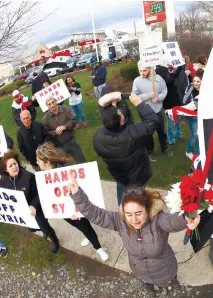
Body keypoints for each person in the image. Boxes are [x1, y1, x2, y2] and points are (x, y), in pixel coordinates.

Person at [67, 178, 200, 292]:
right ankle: (148, 286)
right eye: (129, 214)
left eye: (138, 213)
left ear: (147, 210)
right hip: (140, 270)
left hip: (165, 268)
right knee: (146, 282)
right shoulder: (120, 222)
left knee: (171, 280)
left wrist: (187, 218)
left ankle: (172, 282)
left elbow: (173, 222)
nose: (134, 219)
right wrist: (77, 195)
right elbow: (96, 214)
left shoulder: (158, 219)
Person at [35, 142, 109, 261]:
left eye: (38, 160)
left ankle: (98, 248)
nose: (37, 163)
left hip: (77, 208)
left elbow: (80, 188)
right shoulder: (44, 176)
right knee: (81, 227)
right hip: (65, 211)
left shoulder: (65, 170)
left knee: (86, 227)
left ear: (47, 162)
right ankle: (88, 237)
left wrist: (76, 209)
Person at [93, 93, 159, 205]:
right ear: (122, 121)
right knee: (137, 202)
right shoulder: (134, 135)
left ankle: (121, 207)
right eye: (119, 113)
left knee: (122, 193)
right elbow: (152, 121)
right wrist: (139, 104)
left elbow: (112, 119)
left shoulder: (98, 137)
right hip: (137, 177)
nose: (120, 111)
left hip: (120, 175)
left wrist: (113, 105)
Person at [0, 152, 60, 253]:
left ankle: (54, 239)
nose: (14, 167)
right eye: (10, 166)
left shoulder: (28, 177)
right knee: (32, 229)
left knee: (44, 227)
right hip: (23, 211)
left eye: (15, 164)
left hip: (36, 208)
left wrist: (33, 206)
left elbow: (40, 193)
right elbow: (1, 195)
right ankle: (43, 230)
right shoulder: (3, 181)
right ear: (6, 169)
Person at [132, 61, 172, 160]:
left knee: (161, 131)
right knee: (148, 133)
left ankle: (165, 148)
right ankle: (149, 151)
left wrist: (158, 98)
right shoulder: (137, 81)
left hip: (158, 110)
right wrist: (149, 96)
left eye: (144, 70)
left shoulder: (158, 79)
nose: (142, 73)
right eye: (140, 71)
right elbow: (134, 96)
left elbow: (164, 91)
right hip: (146, 113)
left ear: (150, 69)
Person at [42, 96, 85, 163]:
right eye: (49, 104)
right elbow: (45, 132)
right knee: (65, 165)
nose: (52, 105)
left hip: (71, 141)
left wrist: (65, 126)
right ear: (47, 106)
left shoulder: (65, 109)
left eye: (53, 102)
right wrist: (55, 132)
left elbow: (73, 120)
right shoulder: (46, 118)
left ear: (56, 101)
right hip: (58, 146)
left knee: (81, 160)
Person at [156, 65, 184, 146]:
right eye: (167, 72)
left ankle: (178, 133)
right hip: (169, 106)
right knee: (170, 123)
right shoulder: (163, 82)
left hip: (177, 103)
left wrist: (180, 64)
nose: (169, 72)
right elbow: (174, 76)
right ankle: (171, 138)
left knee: (177, 120)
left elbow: (176, 73)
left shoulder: (169, 77)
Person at [181, 70, 203, 160]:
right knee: (194, 135)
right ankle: (188, 151)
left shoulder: (205, 89)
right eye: (194, 81)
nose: (196, 83)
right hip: (192, 115)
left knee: (200, 134)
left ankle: (198, 152)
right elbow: (184, 100)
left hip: (201, 115)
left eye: (198, 81)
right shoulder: (190, 87)